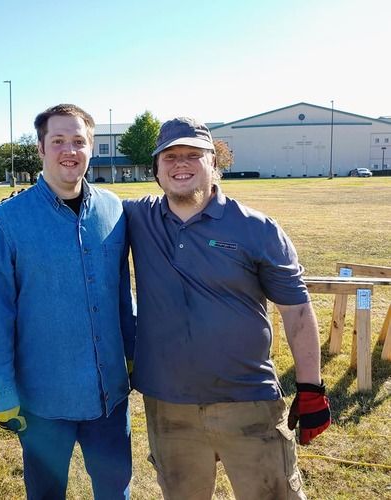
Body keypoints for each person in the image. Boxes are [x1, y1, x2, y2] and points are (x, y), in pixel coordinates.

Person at [123, 117, 331, 500]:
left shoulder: (257, 229)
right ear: (156, 170)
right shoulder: (136, 218)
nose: (180, 164)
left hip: (248, 399)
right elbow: (81, 205)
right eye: (170, 156)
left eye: (193, 155)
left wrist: (310, 387)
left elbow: (297, 312)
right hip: (168, 405)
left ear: (214, 163)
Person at [0, 104, 135, 500]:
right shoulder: (7, 220)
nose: (70, 150)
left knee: (115, 492)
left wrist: (134, 357)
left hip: (109, 397)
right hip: (44, 402)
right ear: (40, 148)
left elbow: (122, 294)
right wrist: (2, 393)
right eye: (58, 141)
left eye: (79, 141)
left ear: (91, 147)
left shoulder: (114, 210)